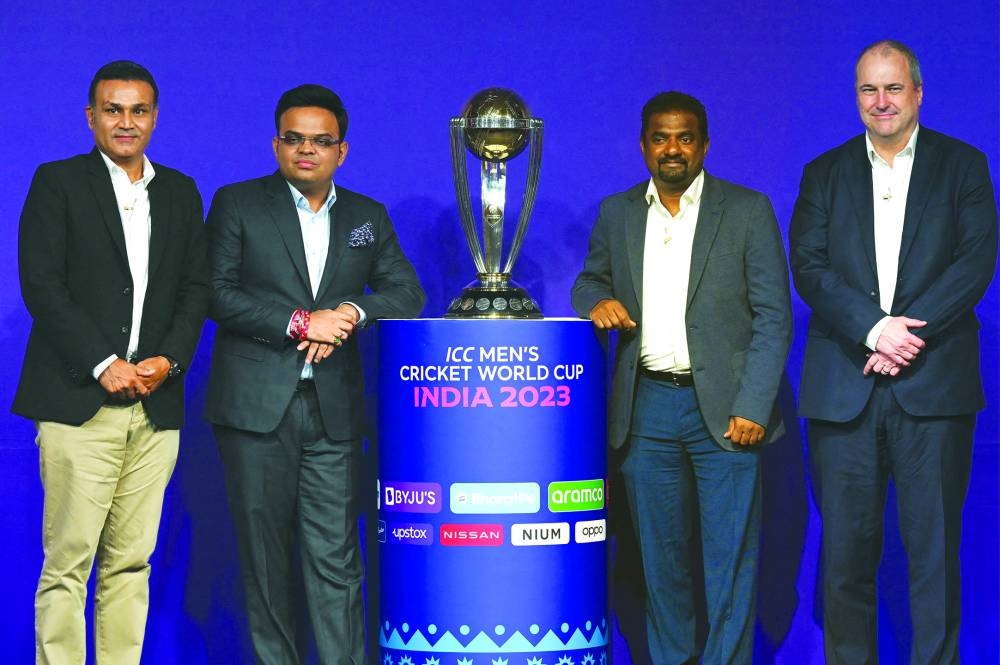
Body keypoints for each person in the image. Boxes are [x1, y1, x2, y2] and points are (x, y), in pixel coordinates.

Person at [790, 40, 998, 665]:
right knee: (847, 557)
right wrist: (875, 330)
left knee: (933, 556)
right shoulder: (822, 173)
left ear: (918, 93)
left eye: (893, 88)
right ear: (856, 97)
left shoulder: (963, 165)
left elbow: (975, 263)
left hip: (932, 390)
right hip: (843, 390)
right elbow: (809, 265)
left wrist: (905, 337)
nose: (881, 102)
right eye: (868, 90)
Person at [204, 83, 425, 664]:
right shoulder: (237, 203)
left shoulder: (366, 217)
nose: (307, 151)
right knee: (265, 562)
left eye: (321, 141)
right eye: (294, 139)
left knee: (336, 560)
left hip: (332, 413)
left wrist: (350, 313)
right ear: (276, 145)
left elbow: (406, 292)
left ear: (342, 151)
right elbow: (217, 295)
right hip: (255, 411)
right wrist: (303, 321)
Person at [571, 91, 792, 664]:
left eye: (685, 137)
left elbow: (774, 317)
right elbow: (589, 280)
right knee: (658, 561)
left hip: (727, 411)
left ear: (704, 145)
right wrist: (597, 301)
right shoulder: (617, 212)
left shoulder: (747, 210)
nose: (673, 148)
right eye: (661, 137)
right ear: (643, 145)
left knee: (730, 560)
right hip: (646, 410)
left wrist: (755, 407)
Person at [13, 60, 209, 664]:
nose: (126, 122)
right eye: (113, 109)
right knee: (69, 565)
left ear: (154, 117)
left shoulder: (179, 191)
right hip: (80, 401)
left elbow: (195, 288)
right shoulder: (58, 182)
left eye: (139, 110)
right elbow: (42, 285)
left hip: (155, 407)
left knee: (131, 562)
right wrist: (104, 363)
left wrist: (169, 361)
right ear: (91, 116)